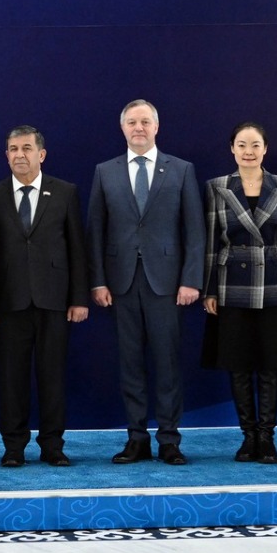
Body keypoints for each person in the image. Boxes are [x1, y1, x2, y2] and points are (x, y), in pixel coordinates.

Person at [87, 99, 204, 466]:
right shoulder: (105, 171)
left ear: (156, 127)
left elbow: (195, 230)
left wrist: (191, 279)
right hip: (120, 284)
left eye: (145, 122)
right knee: (130, 364)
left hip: (167, 284)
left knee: (168, 363)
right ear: (123, 128)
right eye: (132, 122)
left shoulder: (181, 169)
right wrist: (98, 281)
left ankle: (169, 439)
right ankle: (136, 438)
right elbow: (95, 231)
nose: (138, 128)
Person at [0, 126, 88, 467]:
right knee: (11, 379)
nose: (19, 154)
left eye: (26, 148)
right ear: (6, 155)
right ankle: (14, 447)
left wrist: (79, 298)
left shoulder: (65, 192)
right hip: (8, 304)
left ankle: (52, 445)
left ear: (41, 154)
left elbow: (76, 247)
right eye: (13, 149)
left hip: (54, 302)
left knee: (52, 377)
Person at [200, 124, 277, 464]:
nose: (249, 151)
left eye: (255, 145)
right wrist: (209, 289)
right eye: (242, 144)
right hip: (231, 285)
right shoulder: (217, 187)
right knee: (239, 365)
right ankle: (248, 437)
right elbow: (211, 243)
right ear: (232, 148)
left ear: (265, 149)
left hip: (275, 284)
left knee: (271, 366)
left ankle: (267, 437)